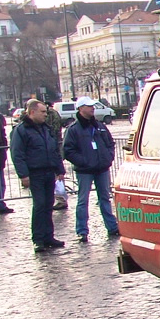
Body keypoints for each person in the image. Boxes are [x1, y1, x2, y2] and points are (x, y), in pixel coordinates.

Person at [10, 99, 67, 252]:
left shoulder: (46, 128)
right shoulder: (21, 130)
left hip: (48, 171)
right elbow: (17, 154)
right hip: (35, 173)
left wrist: (59, 169)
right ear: (32, 112)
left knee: (48, 204)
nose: (45, 115)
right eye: (42, 112)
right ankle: (38, 238)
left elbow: (54, 150)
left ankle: (49, 236)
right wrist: (23, 175)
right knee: (40, 205)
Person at [63, 97, 120, 243]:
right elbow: (68, 150)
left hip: (102, 168)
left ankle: (112, 226)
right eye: (89, 106)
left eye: (92, 106)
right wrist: (84, 162)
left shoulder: (99, 126)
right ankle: (82, 230)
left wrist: (108, 157)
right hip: (85, 171)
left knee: (105, 198)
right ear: (81, 108)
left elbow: (110, 143)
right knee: (83, 200)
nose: (92, 108)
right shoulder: (73, 129)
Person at [45, 102, 69, 210]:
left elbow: (54, 130)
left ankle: (61, 198)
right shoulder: (52, 114)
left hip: (53, 147)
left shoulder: (51, 115)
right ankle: (58, 198)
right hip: (52, 147)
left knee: (57, 176)